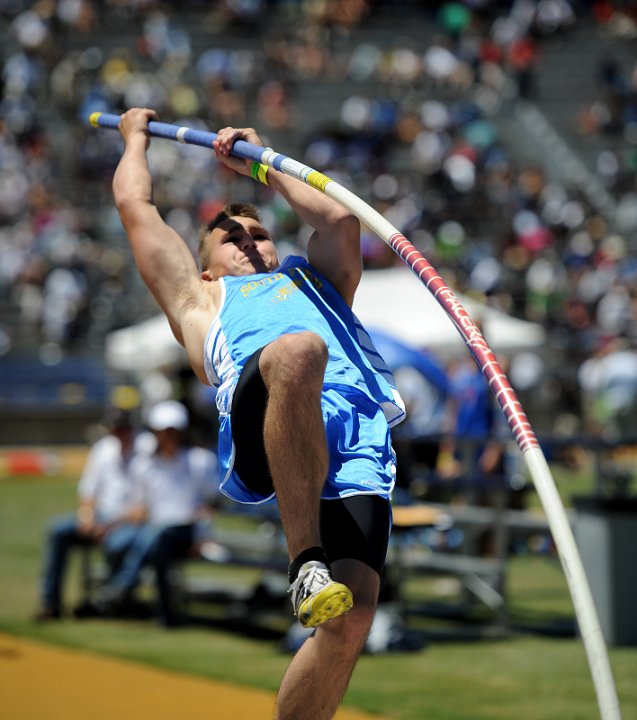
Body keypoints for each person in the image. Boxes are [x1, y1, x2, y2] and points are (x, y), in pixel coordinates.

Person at [111, 108, 405, 720]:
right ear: (208, 262)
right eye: (230, 236)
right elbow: (137, 209)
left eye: (259, 233)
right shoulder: (200, 298)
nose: (249, 241)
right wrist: (134, 137)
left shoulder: (319, 281)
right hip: (264, 412)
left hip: (353, 441)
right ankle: (304, 565)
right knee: (299, 349)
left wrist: (262, 161)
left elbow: (339, 215)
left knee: (353, 614)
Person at [98, 399, 219, 627]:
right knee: (121, 541)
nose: (169, 437)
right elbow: (141, 507)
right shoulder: (145, 465)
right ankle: (143, 605)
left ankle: (121, 587)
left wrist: (204, 534)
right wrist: (114, 523)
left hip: (185, 530)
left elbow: (208, 504)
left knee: (157, 535)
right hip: (154, 531)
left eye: (173, 431)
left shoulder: (199, 461)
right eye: (164, 431)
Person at [34, 407, 143, 621]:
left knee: (118, 543)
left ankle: (109, 602)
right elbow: (88, 492)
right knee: (58, 531)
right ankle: (51, 604)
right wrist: (87, 518)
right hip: (102, 516)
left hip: (129, 522)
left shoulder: (146, 449)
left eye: (121, 429)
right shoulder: (104, 449)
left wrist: (110, 525)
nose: (117, 434)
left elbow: (145, 505)